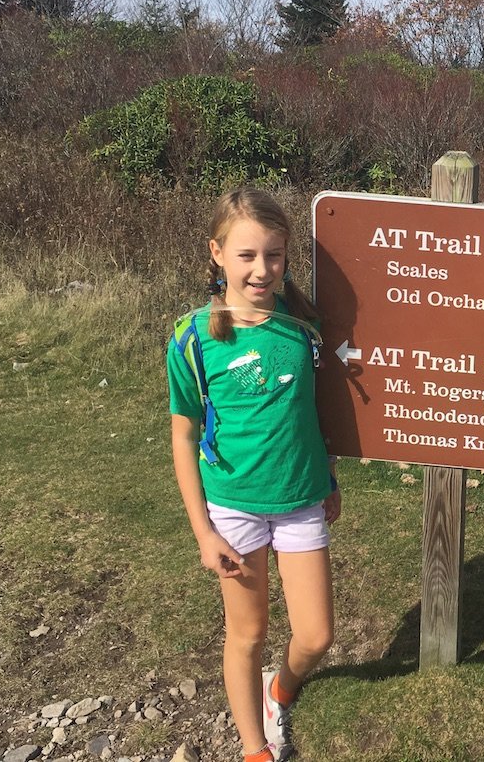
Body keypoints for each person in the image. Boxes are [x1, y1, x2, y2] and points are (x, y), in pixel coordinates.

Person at [167, 187, 339, 762]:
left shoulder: (303, 324)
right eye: (246, 255)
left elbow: (316, 412)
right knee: (248, 634)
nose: (261, 269)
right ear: (216, 253)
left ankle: (280, 690)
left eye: (274, 255)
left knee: (315, 635)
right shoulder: (193, 336)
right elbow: (184, 434)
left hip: (300, 498)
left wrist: (329, 477)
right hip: (233, 504)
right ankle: (253, 748)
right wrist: (203, 533)